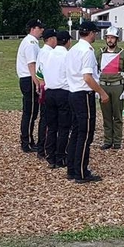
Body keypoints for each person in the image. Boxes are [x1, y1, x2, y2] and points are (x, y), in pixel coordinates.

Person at [65, 21, 109, 183]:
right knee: (85, 135)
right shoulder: (88, 51)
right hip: (83, 94)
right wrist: (102, 93)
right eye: (95, 32)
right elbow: (87, 77)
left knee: (76, 133)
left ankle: (72, 168)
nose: (96, 35)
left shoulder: (73, 49)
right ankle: (81, 172)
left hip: (73, 93)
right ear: (90, 33)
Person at [97, 26, 124, 150]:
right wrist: (97, 88)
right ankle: (108, 140)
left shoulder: (123, 54)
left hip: (117, 86)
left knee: (117, 116)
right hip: (103, 87)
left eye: (112, 37)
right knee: (106, 116)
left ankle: (117, 142)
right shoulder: (100, 53)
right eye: (108, 37)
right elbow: (95, 71)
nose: (110, 40)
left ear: (117, 39)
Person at [43, 31, 72, 169]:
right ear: (66, 41)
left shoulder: (49, 54)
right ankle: (61, 156)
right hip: (63, 92)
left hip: (49, 92)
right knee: (64, 127)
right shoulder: (67, 55)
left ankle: (50, 156)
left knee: (52, 126)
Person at [16, 19, 44, 153]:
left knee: (30, 112)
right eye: (40, 27)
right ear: (33, 28)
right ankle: (26, 141)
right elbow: (31, 64)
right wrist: (37, 82)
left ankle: (28, 139)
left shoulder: (29, 41)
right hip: (29, 79)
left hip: (27, 78)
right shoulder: (31, 43)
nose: (42, 30)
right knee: (30, 112)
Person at [35, 28, 58, 159]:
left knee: (44, 118)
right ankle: (43, 147)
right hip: (47, 87)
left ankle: (42, 147)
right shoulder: (48, 53)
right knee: (46, 119)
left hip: (44, 86)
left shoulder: (43, 51)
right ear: (51, 39)